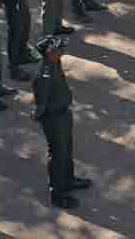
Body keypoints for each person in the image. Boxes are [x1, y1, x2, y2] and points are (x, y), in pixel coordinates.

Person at [32, 34, 93, 209]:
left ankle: (68, 180)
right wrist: (40, 115)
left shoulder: (55, 64)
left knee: (67, 149)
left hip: (63, 114)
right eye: (58, 48)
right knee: (57, 155)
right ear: (49, 52)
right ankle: (57, 194)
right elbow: (40, 104)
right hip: (53, 118)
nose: (62, 50)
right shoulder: (43, 74)